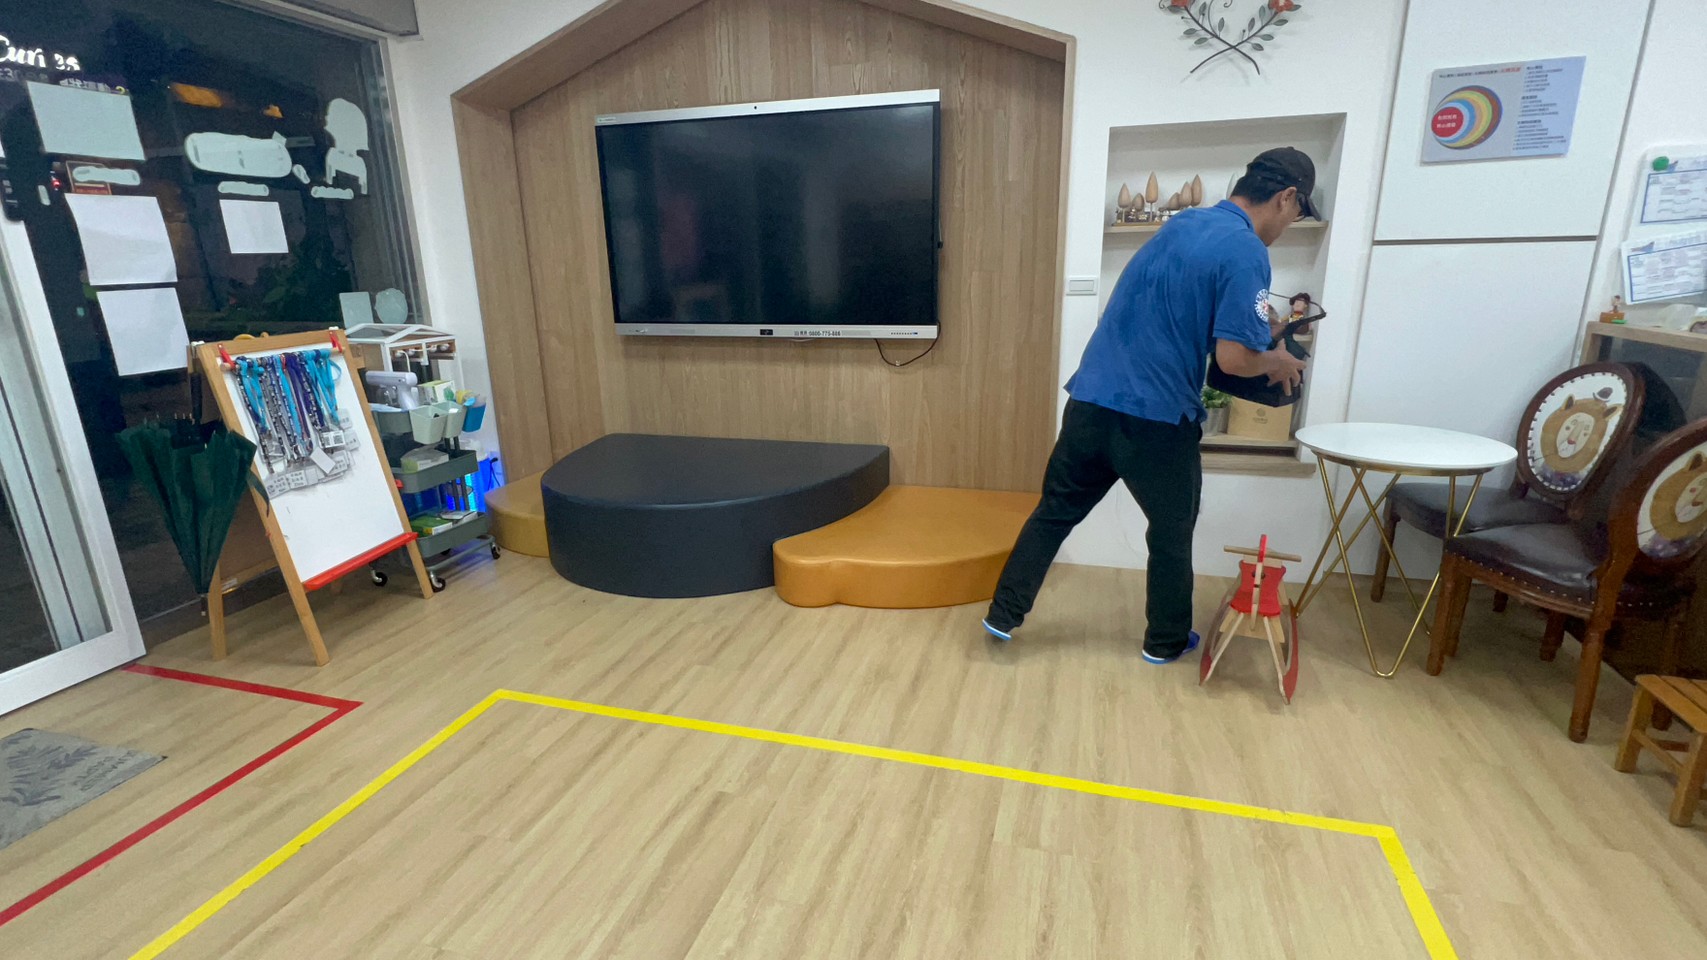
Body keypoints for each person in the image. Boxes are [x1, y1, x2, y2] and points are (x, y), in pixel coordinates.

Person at [983, 147, 1316, 663]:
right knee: (1171, 531)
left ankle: (1002, 615)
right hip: (1157, 418)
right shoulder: (1247, 249)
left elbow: (1174, 308)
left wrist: (1257, 331)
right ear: (1286, 197)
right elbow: (1233, 360)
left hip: (1092, 398)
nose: (1290, 224)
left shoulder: (1182, 224)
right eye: (1296, 213)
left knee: (1054, 512)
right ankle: (1164, 641)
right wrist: (1275, 360)